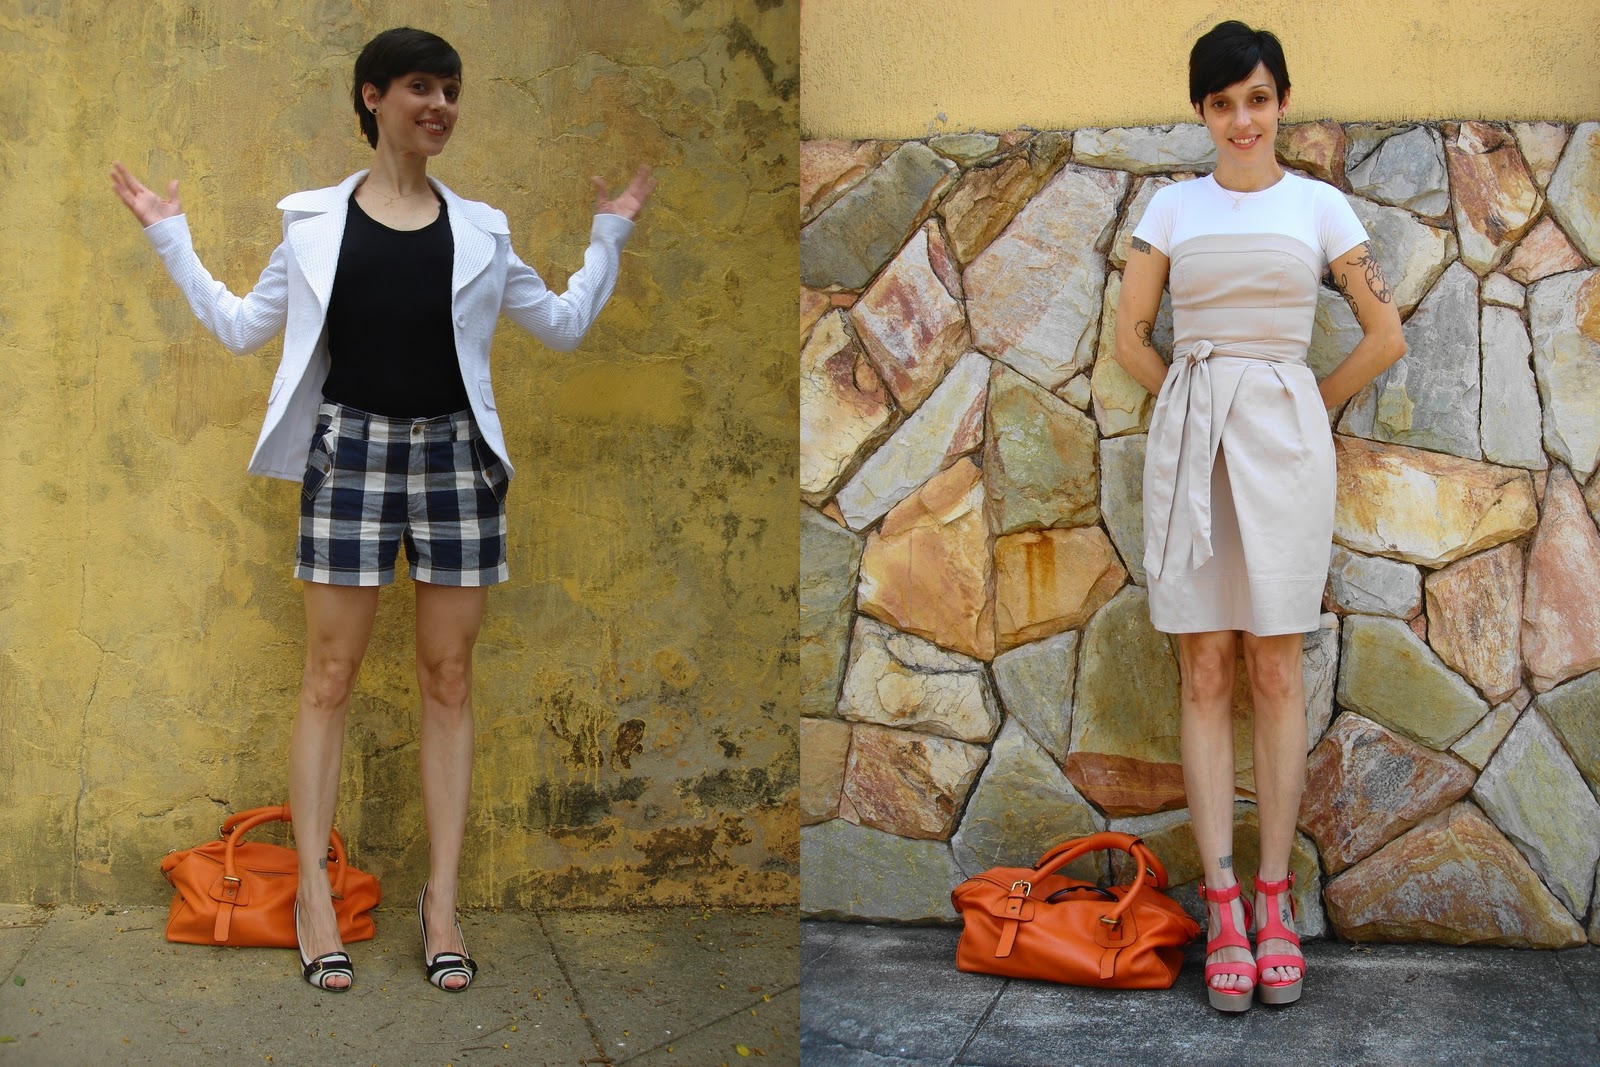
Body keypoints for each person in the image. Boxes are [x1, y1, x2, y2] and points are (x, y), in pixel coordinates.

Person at [110, 26, 654, 993]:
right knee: (329, 676)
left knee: (449, 676)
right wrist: (170, 236)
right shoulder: (313, 225)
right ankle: (314, 900)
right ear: (372, 97)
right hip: (350, 451)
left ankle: (441, 904)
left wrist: (608, 236)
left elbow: (565, 326)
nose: (441, 105)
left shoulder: (481, 231)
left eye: (451, 90)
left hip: (456, 457)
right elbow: (240, 328)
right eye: (420, 87)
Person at [1113, 21, 1404, 1011]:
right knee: (1203, 665)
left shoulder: (1319, 207)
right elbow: (1130, 336)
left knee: (1275, 666)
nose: (1243, 119)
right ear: (1202, 111)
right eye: (1223, 102)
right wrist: (1189, 404)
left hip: (1285, 455)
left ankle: (1275, 898)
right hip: (1194, 449)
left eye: (1258, 98)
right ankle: (1223, 904)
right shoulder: (1171, 206)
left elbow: (1384, 333)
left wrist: (1305, 401)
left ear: (1281, 103)